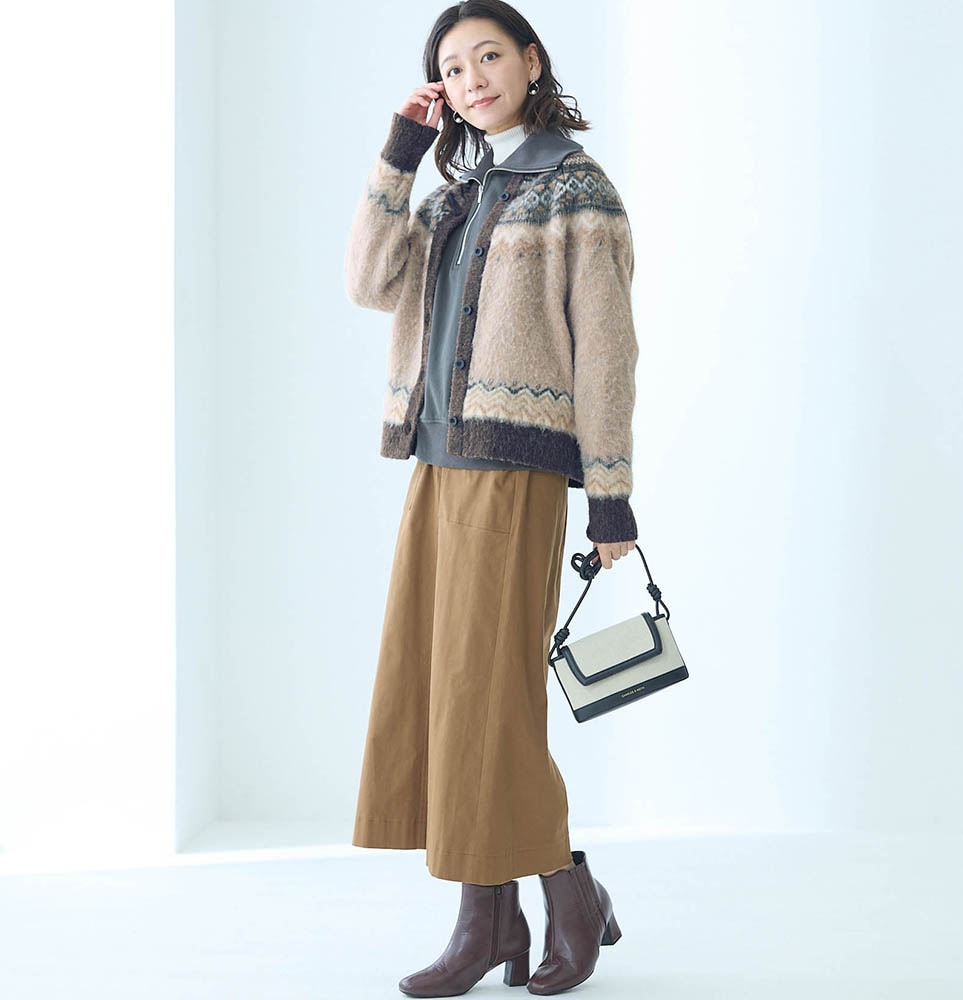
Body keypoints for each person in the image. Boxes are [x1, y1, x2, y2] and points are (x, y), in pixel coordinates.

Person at [344, 1, 639, 994]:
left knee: (492, 701)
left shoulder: (576, 191)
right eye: (453, 68)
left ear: (531, 61)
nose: (472, 79)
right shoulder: (450, 197)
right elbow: (367, 282)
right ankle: (511, 911)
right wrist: (401, 151)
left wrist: (609, 496)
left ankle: (543, 900)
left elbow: (607, 354)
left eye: (489, 56)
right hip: (436, 465)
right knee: (441, 695)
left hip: (515, 474)